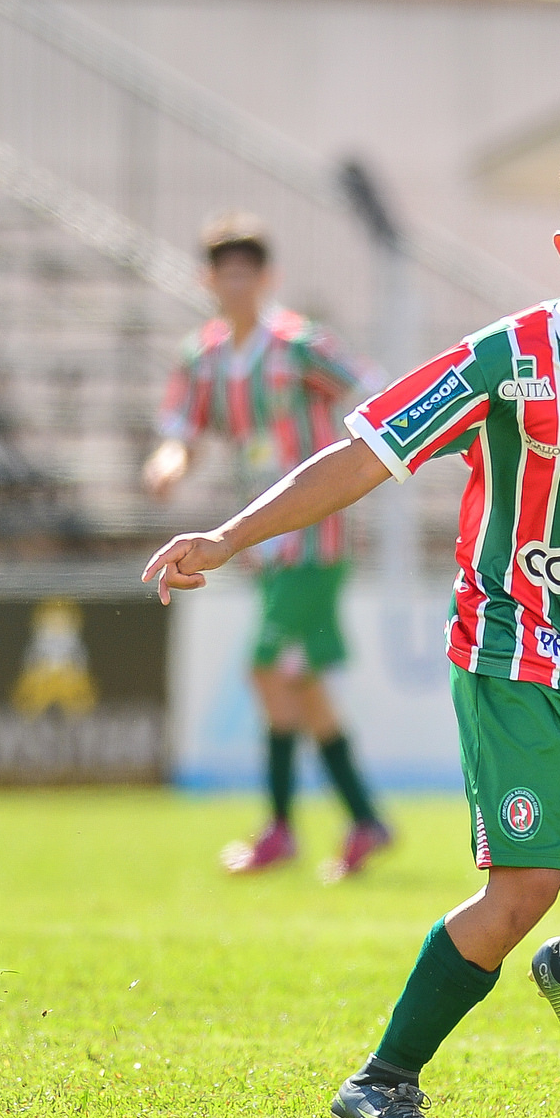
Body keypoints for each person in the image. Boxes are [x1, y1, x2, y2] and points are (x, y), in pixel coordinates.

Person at [143, 135, 560, 1118]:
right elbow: (359, 457)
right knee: (524, 884)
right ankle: (385, 1077)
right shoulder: (507, 360)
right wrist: (227, 535)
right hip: (513, 655)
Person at [145, 215, 391, 882]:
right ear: (208, 281)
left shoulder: (299, 344)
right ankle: (365, 819)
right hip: (264, 545)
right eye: (223, 274)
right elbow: (180, 428)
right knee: (301, 681)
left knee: (265, 667)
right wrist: (168, 463)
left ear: (266, 279)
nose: (235, 285)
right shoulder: (204, 358)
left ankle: (282, 828)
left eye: (245, 273)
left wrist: (350, 459)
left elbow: (375, 387)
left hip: (314, 535)